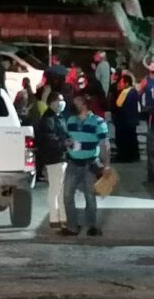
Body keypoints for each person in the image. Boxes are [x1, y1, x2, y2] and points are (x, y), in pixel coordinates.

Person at [62, 93, 109, 236]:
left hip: (90, 164)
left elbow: (104, 144)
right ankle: (72, 226)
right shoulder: (70, 120)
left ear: (84, 104)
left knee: (90, 196)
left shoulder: (98, 122)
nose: (73, 105)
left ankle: (92, 226)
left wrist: (106, 164)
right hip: (73, 162)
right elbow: (67, 138)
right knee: (67, 195)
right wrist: (67, 143)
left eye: (76, 102)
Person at [36, 92, 69, 229]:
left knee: (60, 189)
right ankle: (55, 218)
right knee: (56, 189)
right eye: (59, 100)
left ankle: (61, 217)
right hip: (54, 157)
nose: (62, 103)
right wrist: (63, 143)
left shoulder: (58, 117)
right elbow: (49, 138)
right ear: (52, 102)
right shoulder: (48, 119)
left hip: (61, 156)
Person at [112, 73, 140, 163]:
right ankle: (131, 156)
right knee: (130, 139)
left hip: (126, 121)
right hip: (129, 121)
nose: (120, 84)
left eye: (121, 82)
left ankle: (125, 156)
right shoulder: (131, 92)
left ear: (126, 83)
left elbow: (120, 106)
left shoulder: (128, 92)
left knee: (126, 140)